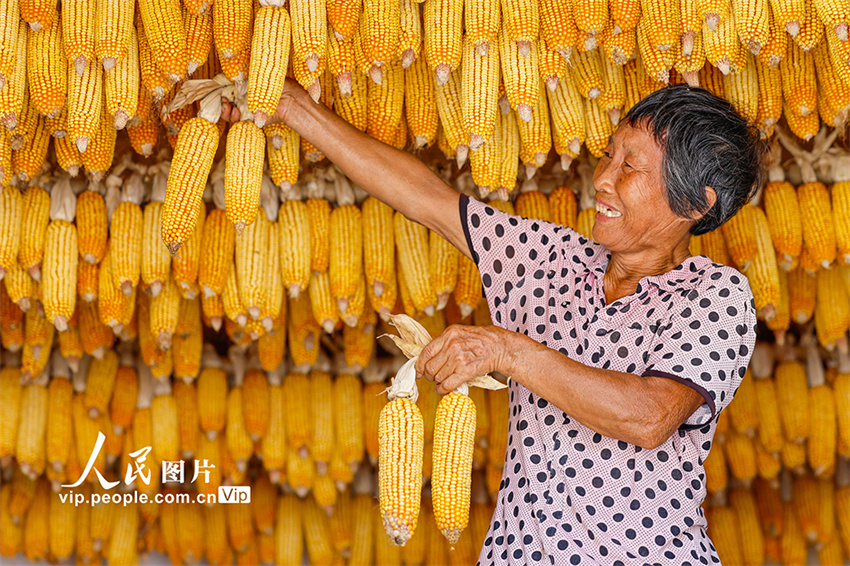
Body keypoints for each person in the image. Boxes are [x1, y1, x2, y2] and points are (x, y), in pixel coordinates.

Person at [223, 83, 765, 565]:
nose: (601, 179)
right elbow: (428, 201)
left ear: (696, 203)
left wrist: (509, 352)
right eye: (607, 155)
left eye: (631, 167)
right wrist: (292, 107)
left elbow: (649, 417)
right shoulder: (551, 261)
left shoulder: (713, 295)